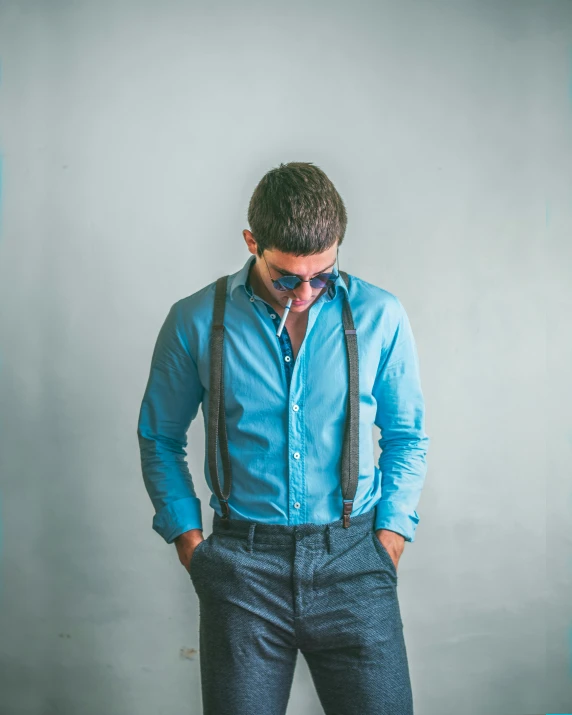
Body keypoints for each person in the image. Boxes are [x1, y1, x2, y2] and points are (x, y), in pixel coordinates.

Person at [137, 161, 429, 715]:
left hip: (354, 563)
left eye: (322, 276)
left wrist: (390, 535)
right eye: (287, 277)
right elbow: (159, 436)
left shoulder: (380, 315)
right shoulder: (195, 320)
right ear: (253, 243)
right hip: (242, 569)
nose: (305, 293)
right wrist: (191, 545)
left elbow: (407, 435)